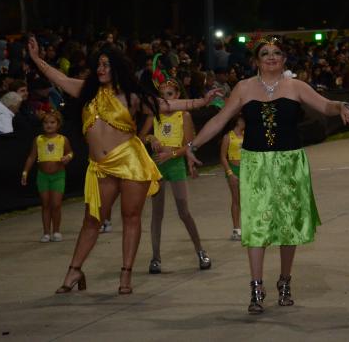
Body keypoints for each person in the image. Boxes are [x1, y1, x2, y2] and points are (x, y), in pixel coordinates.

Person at [27, 37, 219, 295]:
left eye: (106, 64)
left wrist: (201, 102)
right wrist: (37, 59)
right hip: (101, 166)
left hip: (130, 161)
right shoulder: (86, 90)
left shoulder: (132, 96)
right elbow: (58, 77)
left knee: (131, 217)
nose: (101, 69)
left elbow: (166, 104)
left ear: (117, 67)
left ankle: (126, 274)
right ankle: (74, 270)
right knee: (92, 220)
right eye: (99, 64)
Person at [184, 36, 349, 314]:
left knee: (289, 226)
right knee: (256, 226)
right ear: (256, 60)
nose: (271, 57)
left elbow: (325, 106)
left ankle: (285, 281)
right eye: (265, 53)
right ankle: (256, 286)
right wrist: (192, 146)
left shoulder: (295, 86)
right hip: (255, 165)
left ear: (284, 59)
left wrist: (342, 106)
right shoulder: (244, 87)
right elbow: (219, 119)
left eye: (277, 53)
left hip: (290, 163)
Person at [141, 79, 211, 274]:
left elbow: (188, 146)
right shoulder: (154, 115)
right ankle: (155, 257)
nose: (166, 99)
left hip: (175, 165)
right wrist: (151, 137)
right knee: (157, 214)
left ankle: (200, 251)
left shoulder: (184, 116)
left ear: (177, 96)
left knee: (184, 212)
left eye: (170, 94)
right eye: (162, 96)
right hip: (157, 166)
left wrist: (170, 155)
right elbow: (139, 137)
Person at [21, 111, 73, 242]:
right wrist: (25, 172)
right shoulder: (38, 140)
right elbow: (32, 157)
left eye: (52, 122)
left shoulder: (63, 139)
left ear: (58, 124)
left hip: (58, 176)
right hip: (43, 176)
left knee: (56, 204)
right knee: (45, 204)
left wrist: (68, 157)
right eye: (46, 122)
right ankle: (46, 232)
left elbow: (70, 152)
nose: (49, 125)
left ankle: (56, 231)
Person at [220, 114, 245, 241]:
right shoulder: (228, 137)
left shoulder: (248, 134)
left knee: (249, 199)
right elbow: (223, 157)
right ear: (239, 121)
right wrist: (230, 173)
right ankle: (236, 230)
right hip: (234, 169)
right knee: (236, 199)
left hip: (247, 169)